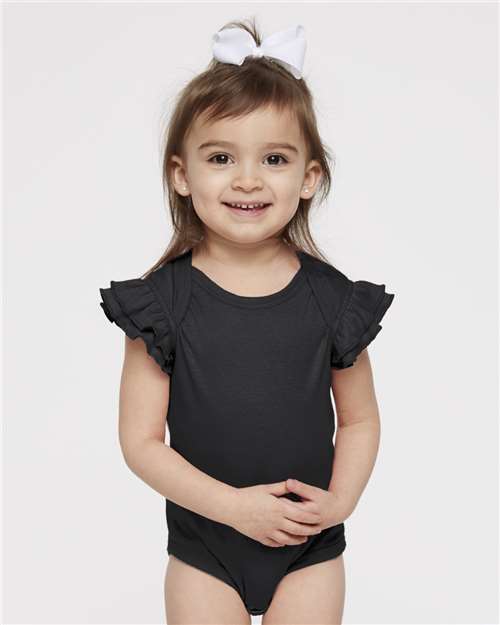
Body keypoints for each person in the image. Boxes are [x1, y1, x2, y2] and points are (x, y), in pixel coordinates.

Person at [99, 19, 395, 625]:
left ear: (309, 177)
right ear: (182, 174)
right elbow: (141, 442)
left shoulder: (332, 300)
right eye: (221, 157)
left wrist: (340, 502)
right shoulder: (161, 305)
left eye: (275, 158)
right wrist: (234, 509)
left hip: (307, 547)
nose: (248, 179)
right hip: (207, 547)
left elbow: (360, 419)